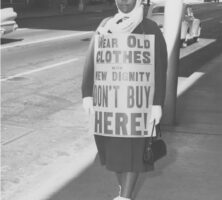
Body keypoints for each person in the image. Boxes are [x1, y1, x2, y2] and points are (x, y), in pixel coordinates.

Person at [81, 0, 167, 199]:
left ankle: (125, 196)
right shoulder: (105, 25)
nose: (125, 2)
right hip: (108, 107)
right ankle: (123, 190)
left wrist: (157, 103)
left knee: (133, 153)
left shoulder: (150, 28)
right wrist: (87, 93)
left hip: (138, 107)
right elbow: (92, 59)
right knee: (114, 153)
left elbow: (160, 68)